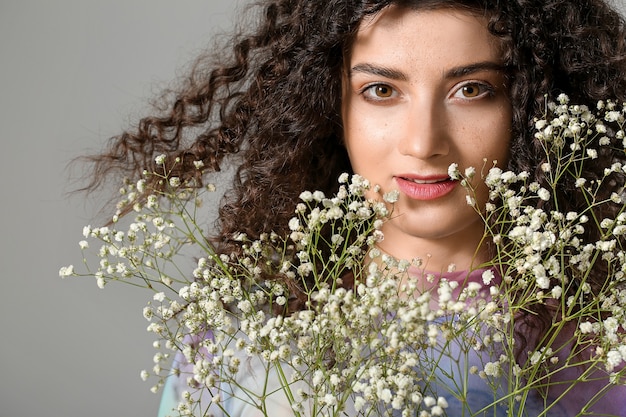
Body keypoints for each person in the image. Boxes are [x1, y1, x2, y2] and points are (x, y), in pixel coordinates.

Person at [81, 0, 626, 415]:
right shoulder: (245, 333)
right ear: (329, 105)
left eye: (473, 89)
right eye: (382, 92)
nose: (423, 142)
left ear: (533, 106)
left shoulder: (602, 346)